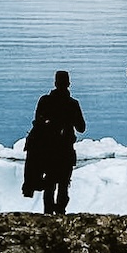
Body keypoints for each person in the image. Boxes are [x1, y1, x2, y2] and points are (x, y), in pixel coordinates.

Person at [27, 70, 86, 214]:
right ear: (68, 84)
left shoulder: (45, 101)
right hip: (65, 150)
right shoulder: (73, 104)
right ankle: (60, 212)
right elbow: (81, 128)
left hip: (47, 150)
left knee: (49, 183)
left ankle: (48, 212)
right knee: (63, 183)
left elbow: (37, 122)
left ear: (55, 83)